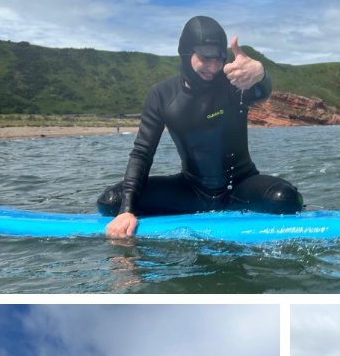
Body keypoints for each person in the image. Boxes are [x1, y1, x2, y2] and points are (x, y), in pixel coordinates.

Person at [97, 15, 302, 237]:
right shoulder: (162, 95)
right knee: (111, 201)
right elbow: (142, 152)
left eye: (219, 59)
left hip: (239, 186)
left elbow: (261, 91)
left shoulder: (233, 83)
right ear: (186, 53)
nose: (213, 67)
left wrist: (260, 73)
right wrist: (126, 211)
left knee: (285, 199)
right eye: (205, 58)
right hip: (190, 191)